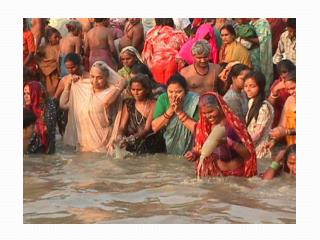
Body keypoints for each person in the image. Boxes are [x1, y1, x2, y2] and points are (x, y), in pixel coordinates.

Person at [59, 61, 126, 153]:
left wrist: (120, 87)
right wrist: (68, 86)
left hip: (102, 144)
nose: (95, 81)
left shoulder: (112, 92)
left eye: (99, 78)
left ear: (107, 77)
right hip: (84, 145)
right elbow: (63, 105)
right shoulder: (84, 91)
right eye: (92, 76)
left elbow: (107, 102)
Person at [184, 92, 257, 178]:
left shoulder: (232, 126)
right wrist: (194, 154)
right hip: (216, 175)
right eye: (204, 113)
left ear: (220, 108)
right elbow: (201, 148)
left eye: (211, 111)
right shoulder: (204, 127)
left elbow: (249, 154)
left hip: (236, 176)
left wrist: (230, 143)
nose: (208, 116)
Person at [117, 74, 166, 153]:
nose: (135, 93)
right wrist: (119, 136)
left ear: (146, 90)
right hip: (131, 144)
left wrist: (131, 139)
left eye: (139, 90)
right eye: (133, 89)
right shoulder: (129, 103)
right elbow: (122, 126)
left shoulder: (154, 104)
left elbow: (147, 129)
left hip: (150, 144)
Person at [152, 73, 199, 155]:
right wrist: (171, 110)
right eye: (170, 92)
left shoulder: (194, 100)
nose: (174, 95)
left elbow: (197, 130)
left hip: (193, 149)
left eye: (178, 92)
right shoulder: (163, 98)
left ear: (186, 91)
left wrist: (179, 112)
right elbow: (155, 127)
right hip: (168, 144)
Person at [142, 18, 188, 85]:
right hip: (172, 63)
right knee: (171, 88)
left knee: (159, 89)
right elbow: (184, 53)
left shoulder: (151, 34)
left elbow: (146, 56)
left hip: (156, 64)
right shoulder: (178, 34)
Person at [244, 71, 274, 159]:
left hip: (260, 151)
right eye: (246, 86)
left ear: (260, 87)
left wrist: (242, 146)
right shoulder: (251, 101)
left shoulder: (264, 108)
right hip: (251, 148)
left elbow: (258, 133)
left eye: (252, 86)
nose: (248, 89)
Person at [24, 81, 57, 154]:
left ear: (35, 94)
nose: (25, 96)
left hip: (43, 153)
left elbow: (50, 134)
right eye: (24, 93)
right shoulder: (26, 110)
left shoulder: (48, 108)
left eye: (29, 94)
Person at [268, 70, 296, 148]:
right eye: (288, 89)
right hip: (292, 148)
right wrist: (274, 140)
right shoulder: (289, 100)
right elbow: (282, 125)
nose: (291, 92)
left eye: (293, 88)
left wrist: (286, 132)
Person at [268, 60, 295, 127]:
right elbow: (269, 105)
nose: (284, 79)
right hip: (280, 118)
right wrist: (274, 91)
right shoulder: (277, 84)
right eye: (283, 77)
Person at [249, 18, 274, 92]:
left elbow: (262, 40)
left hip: (261, 58)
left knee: (261, 79)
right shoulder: (251, 23)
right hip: (252, 59)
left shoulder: (263, 23)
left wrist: (247, 38)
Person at [36, 27, 61, 97]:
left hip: (58, 75)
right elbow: (38, 58)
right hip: (48, 76)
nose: (58, 39)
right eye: (55, 37)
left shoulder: (60, 46)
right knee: (49, 93)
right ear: (49, 38)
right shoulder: (43, 48)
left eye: (58, 37)